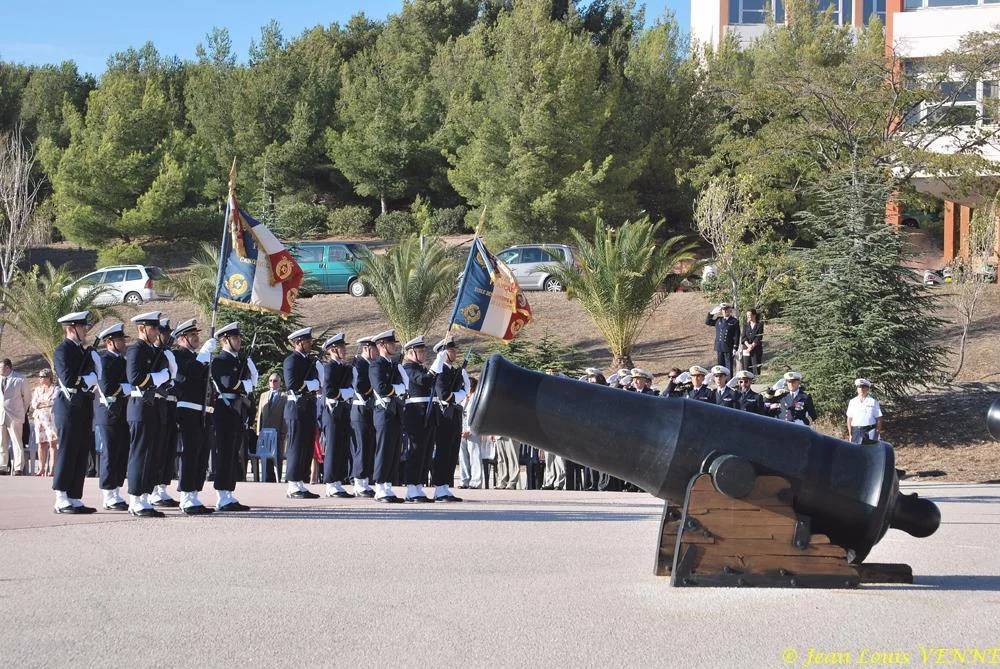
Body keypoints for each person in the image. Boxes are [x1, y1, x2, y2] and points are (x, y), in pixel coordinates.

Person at [51, 311, 99, 514]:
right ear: (71, 328)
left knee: (80, 452)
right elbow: (69, 379)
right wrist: (87, 380)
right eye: (82, 326)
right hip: (68, 408)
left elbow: (90, 376)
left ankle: (74, 496)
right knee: (68, 451)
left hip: (83, 406)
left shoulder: (81, 351)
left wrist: (93, 374)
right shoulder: (62, 350)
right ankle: (61, 497)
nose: (86, 329)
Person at [125, 311, 172, 517]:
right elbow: (134, 377)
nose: (156, 332)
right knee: (140, 454)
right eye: (153, 328)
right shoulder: (136, 350)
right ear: (142, 328)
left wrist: (164, 376)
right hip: (140, 407)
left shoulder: (154, 351)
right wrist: (157, 377)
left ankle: (145, 497)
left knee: (151, 455)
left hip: (153, 408)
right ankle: (135, 499)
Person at [171, 319, 217, 514]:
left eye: (197, 335)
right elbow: (188, 374)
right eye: (192, 335)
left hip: (202, 410)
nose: (197, 338)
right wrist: (204, 355)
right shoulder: (178, 356)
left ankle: (194, 494)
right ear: (182, 339)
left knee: (201, 453)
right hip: (187, 409)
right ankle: (186, 496)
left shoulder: (199, 357)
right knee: (190, 453)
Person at [209, 322, 254, 512]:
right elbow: (229, 383)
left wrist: (247, 380)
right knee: (225, 452)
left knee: (233, 452)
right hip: (225, 410)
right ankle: (221, 494)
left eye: (239, 337)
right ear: (225, 340)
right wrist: (246, 384)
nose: (239, 341)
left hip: (237, 409)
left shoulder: (237, 361)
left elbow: (247, 382)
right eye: (235, 338)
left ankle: (229, 492)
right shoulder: (220, 361)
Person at [93, 324, 131, 511]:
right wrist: (128, 389)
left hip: (123, 412)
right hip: (108, 413)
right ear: (109, 342)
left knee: (121, 453)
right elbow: (108, 388)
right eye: (120, 340)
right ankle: (108, 494)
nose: (124, 342)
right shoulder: (103, 360)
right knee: (110, 453)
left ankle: (116, 490)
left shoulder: (122, 361)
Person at [283, 326, 321, 500]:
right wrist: (311, 385)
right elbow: (292, 384)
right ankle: (292, 484)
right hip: (296, 408)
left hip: (309, 406)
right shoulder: (292, 360)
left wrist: (313, 384)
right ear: (298, 343)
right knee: (296, 446)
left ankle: (300, 482)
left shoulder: (309, 361)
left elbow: (318, 383)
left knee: (306, 447)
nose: (310, 344)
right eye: (307, 341)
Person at [430, 335, 468, 502]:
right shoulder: (441, 372)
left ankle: (446, 486)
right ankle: (439, 487)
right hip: (444, 415)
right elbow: (444, 395)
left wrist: (462, 389)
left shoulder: (454, 371)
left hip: (455, 414)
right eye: (452, 350)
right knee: (443, 451)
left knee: (452, 452)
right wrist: (461, 394)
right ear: (444, 353)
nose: (455, 353)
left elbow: (458, 391)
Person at [369, 329, 405, 503]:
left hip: (395, 411)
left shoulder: (392, 365)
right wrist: (398, 389)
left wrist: (399, 388)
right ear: (382, 345)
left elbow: (403, 385)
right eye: (391, 343)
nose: (394, 346)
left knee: (393, 449)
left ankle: (388, 486)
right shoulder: (376, 365)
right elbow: (381, 388)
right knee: (384, 449)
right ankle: (379, 487)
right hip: (383, 412)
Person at [400, 335, 437, 502]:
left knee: (425, 451)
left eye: (423, 351)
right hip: (415, 413)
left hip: (426, 413)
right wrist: (436, 367)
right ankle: (411, 487)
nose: (423, 354)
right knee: (415, 451)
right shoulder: (408, 368)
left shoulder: (420, 368)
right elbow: (423, 381)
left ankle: (418, 486)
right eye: (419, 351)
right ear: (410, 352)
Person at [149, 318, 180, 508]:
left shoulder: (168, 354)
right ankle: (152, 490)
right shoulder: (153, 354)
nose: (168, 337)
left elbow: (175, 377)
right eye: (164, 333)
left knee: (167, 449)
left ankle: (162, 488)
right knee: (156, 449)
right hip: (155, 405)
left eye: (168, 333)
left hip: (169, 406)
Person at [321, 333, 355, 499]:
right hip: (332, 411)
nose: (345, 350)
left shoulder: (344, 368)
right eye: (342, 347)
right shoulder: (330, 368)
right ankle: (330, 483)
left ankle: (338, 482)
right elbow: (330, 392)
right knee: (333, 448)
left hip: (343, 411)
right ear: (333, 349)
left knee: (342, 447)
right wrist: (347, 393)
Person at [349, 336, 377, 497]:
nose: (376, 353)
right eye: (374, 349)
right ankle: (358, 482)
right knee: (361, 446)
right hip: (360, 409)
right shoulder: (359, 364)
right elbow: (360, 386)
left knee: (368, 446)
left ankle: (365, 481)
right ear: (366, 348)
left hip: (368, 409)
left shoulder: (369, 364)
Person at [1, 358, 32, 475]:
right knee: (1, 442)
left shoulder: (20, 379)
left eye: (1, 367)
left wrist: (22, 411)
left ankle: (18, 467)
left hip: (15, 415)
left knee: (16, 441)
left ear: (8, 367)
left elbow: (27, 397)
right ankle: (3, 466)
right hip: (1, 415)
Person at [255, 374, 287, 482]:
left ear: (280, 382)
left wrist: (283, 431)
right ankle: (268, 477)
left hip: (277, 431)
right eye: (270, 380)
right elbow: (260, 414)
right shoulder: (263, 395)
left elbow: (285, 416)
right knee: (265, 455)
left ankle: (277, 477)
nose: (272, 383)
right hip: (265, 431)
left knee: (277, 455)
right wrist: (259, 431)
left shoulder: (284, 396)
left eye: (275, 381)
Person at [30, 369, 59, 477]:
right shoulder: (37, 390)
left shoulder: (55, 389)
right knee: (41, 444)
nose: (40, 379)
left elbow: (53, 401)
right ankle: (41, 468)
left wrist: (41, 402)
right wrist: (43, 402)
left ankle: (52, 468)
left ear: (48, 377)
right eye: (40, 377)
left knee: (52, 443)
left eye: (42, 377)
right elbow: (34, 404)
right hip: (40, 419)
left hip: (51, 419)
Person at [459, 376, 482, 489]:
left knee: (475, 455)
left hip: (472, 429)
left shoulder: (477, 397)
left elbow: (478, 415)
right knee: (462, 456)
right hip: (461, 429)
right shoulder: (463, 397)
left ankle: (476, 481)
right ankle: (464, 480)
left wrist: (470, 430)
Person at [846, 378, 883, 445]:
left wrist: (876, 434)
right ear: (857, 389)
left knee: (869, 452)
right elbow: (849, 419)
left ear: (868, 389)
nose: (861, 389)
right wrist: (850, 434)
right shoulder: (852, 402)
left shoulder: (873, 402)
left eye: (863, 387)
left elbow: (879, 419)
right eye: (859, 387)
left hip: (869, 431)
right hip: (856, 431)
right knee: (856, 452)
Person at [706, 303, 740, 374]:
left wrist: (735, 347)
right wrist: (711, 313)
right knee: (720, 366)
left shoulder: (734, 321)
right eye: (723, 310)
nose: (725, 312)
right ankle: (721, 381)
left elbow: (737, 335)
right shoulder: (719, 320)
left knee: (728, 366)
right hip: (719, 346)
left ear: (729, 311)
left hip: (728, 346)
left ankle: (729, 382)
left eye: (726, 310)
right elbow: (708, 322)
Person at [741, 308, 764, 376]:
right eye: (747, 315)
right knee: (746, 366)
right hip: (746, 348)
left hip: (756, 348)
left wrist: (752, 346)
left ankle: (756, 380)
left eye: (750, 315)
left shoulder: (760, 325)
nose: (748, 317)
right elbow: (743, 337)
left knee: (756, 366)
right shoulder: (745, 325)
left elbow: (759, 337)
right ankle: (747, 380)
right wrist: (748, 346)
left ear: (754, 315)